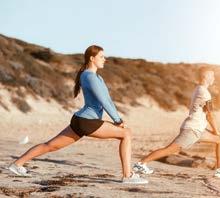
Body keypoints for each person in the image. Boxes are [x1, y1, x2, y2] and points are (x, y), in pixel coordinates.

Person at [8, 45, 148, 184]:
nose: (105, 59)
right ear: (92, 58)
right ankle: (128, 176)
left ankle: (17, 165)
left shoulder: (95, 77)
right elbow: (103, 101)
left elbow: (108, 100)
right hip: (87, 122)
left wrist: (118, 119)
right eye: (101, 57)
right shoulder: (89, 76)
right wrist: (117, 120)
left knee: (51, 145)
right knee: (126, 134)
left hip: (81, 120)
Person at [133, 66, 220, 180]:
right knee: (170, 149)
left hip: (198, 129)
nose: (214, 78)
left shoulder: (198, 89)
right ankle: (141, 163)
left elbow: (203, 114)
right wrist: (216, 130)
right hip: (192, 130)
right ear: (205, 76)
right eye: (212, 76)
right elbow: (210, 115)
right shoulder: (204, 93)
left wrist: (213, 132)